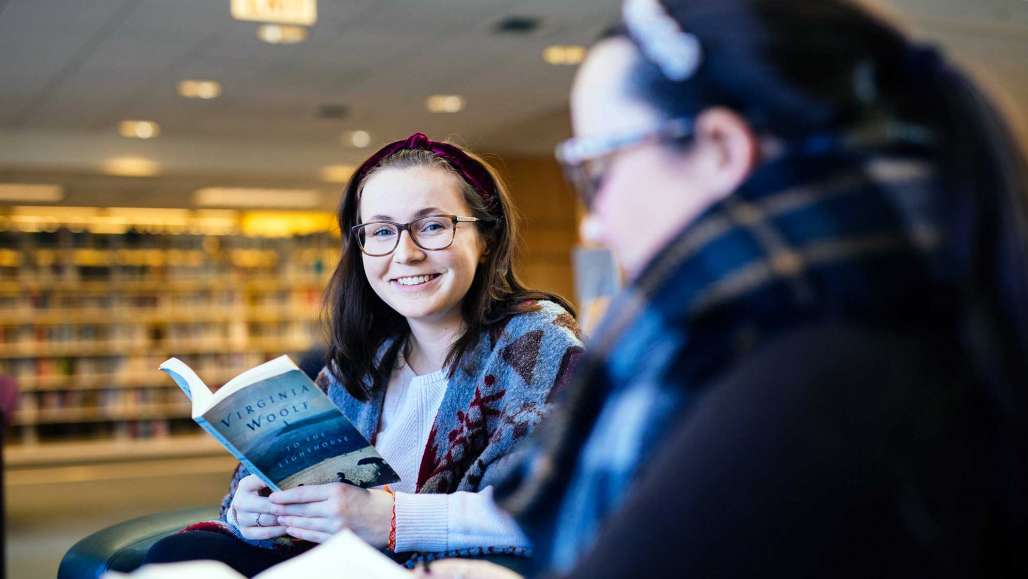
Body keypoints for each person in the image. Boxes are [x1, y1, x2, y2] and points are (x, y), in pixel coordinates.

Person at [423, 0, 1028, 577]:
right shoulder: (894, 310)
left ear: (719, 148)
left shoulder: (807, 378)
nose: (595, 221)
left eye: (595, 171)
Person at [145, 133, 584, 576]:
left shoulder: (537, 338)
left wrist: (391, 520)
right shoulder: (368, 354)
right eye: (381, 232)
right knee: (179, 555)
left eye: (432, 226)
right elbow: (275, 497)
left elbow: (565, 504)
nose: (405, 253)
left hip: (440, 566)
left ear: (485, 237)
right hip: (336, 557)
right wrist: (254, 510)